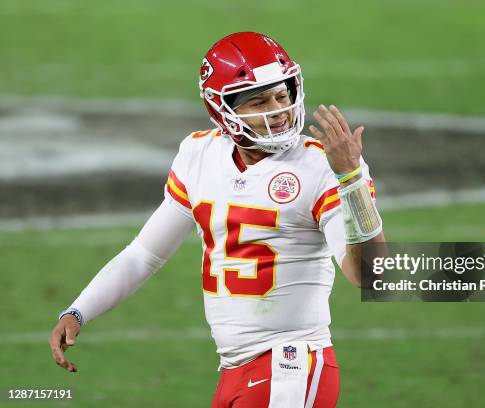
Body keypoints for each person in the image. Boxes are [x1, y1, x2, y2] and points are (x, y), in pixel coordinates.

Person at [48, 31, 385, 407]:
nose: (278, 109)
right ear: (221, 109)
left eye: (282, 94)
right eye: (258, 101)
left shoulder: (323, 164)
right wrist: (79, 310)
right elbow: (144, 254)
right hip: (235, 368)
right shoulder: (199, 155)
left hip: (291, 365)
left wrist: (352, 180)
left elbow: (370, 274)